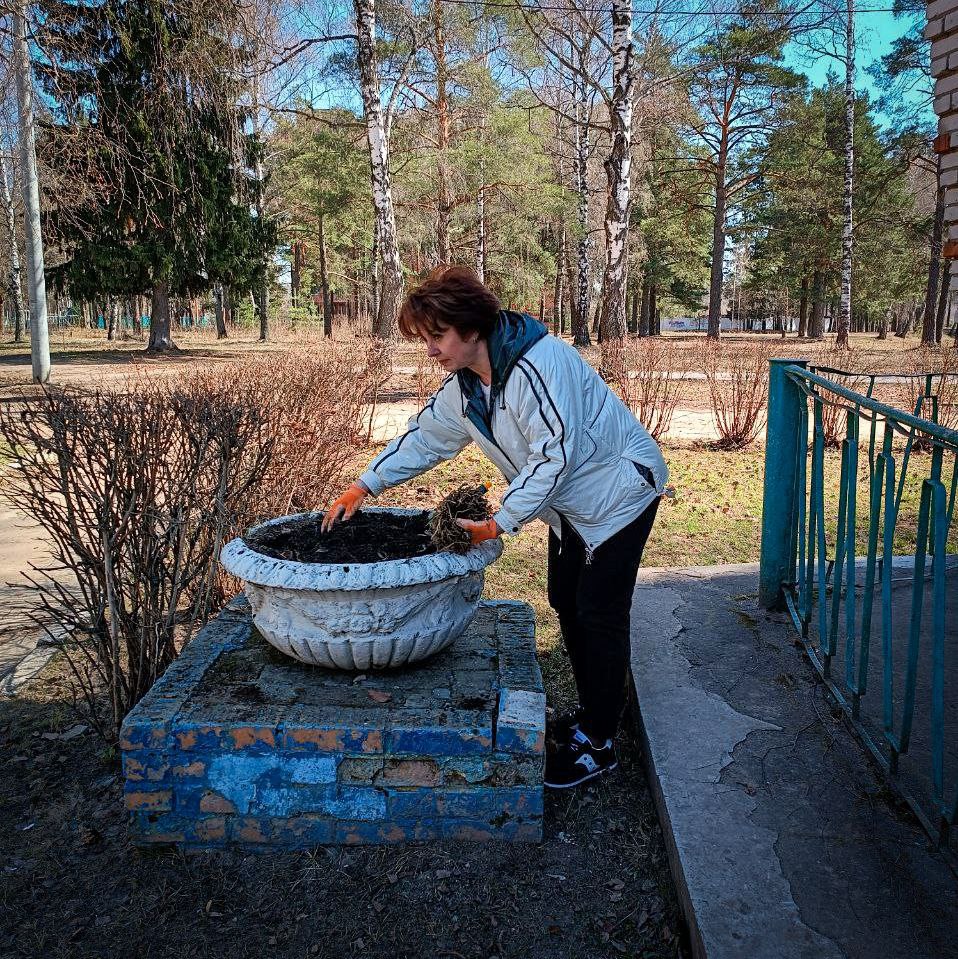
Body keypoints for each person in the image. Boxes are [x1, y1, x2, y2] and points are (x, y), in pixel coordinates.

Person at [323, 266, 667, 789]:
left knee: (598, 613)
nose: (430, 350)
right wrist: (364, 485)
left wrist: (498, 523)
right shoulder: (467, 386)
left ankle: (599, 743)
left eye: (437, 336)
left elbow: (555, 456)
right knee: (566, 600)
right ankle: (591, 714)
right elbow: (427, 437)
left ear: (471, 328)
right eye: (424, 338)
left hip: (618, 495)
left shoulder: (539, 365)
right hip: (571, 506)